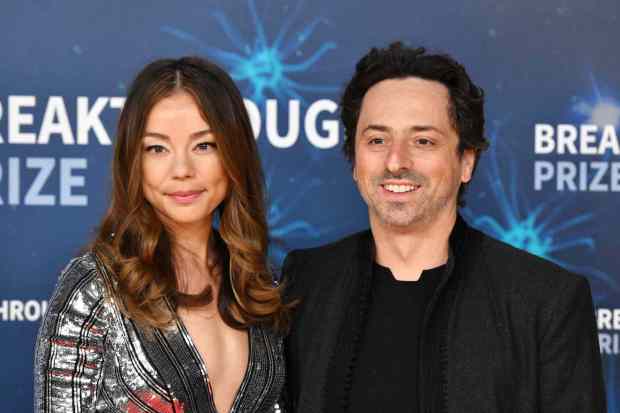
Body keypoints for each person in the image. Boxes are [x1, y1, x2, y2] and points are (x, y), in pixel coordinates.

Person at [283, 42, 606, 412]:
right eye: (376, 140)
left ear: (466, 161)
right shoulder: (304, 282)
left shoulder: (546, 301)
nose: (395, 161)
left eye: (423, 141)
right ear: (354, 161)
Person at [34, 57, 290, 413]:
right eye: (157, 148)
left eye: (204, 145)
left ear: (235, 154)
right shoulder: (95, 287)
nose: (182, 170)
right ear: (133, 162)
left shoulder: (262, 285)